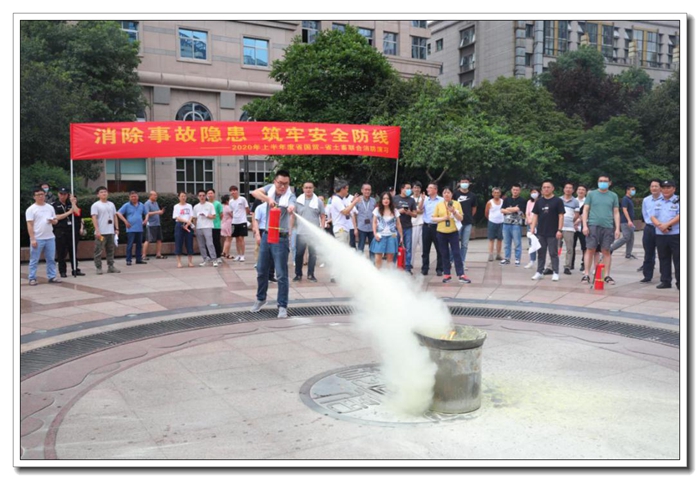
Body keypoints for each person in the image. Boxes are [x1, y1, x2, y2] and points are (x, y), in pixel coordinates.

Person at [250, 170, 296, 318]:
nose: (283, 187)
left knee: (281, 274)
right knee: (261, 270)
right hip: (267, 235)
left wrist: (291, 208)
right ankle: (260, 299)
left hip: (281, 238)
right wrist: (268, 199)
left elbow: (292, 204)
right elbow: (254, 192)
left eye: (286, 184)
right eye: (280, 183)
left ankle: (282, 306)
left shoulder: (290, 196)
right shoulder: (269, 189)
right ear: (275, 182)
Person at [581, 175, 621, 285]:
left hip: (608, 226)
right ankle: (586, 274)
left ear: (610, 183)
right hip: (593, 225)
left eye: (605, 181)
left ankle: (606, 275)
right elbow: (585, 210)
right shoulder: (591, 194)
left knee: (606, 250)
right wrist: (585, 225)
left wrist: (617, 228)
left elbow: (616, 212)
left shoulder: (613, 196)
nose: (602, 182)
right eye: (600, 181)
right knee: (590, 249)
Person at [433, 187, 471, 283]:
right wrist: (443, 218)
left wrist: (453, 211)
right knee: (444, 253)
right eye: (444, 192)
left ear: (451, 194)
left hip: (453, 232)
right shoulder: (439, 205)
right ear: (442, 194)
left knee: (456, 253)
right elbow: (433, 218)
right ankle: (447, 274)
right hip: (441, 232)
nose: (446, 194)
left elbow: (461, 218)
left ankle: (461, 274)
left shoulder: (457, 204)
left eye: (448, 192)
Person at [529, 181, 565, 282]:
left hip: (553, 232)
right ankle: (539, 272)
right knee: (541, 253)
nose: (546, 189)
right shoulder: (539, 201)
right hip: (541, 231)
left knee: (553, 253)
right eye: (544, 187)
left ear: (552, 188)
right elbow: (535, 215)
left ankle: (555, 272)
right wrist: (532, 228)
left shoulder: (558, 201)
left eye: (548, 187)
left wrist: (559, 230)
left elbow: (561, 216)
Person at [26, 186, 61, 285]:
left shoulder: (50, 207)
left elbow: (55, 220)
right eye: (38, 195)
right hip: (38, 238)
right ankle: (32, 277)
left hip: (50, 237)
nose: (41, 196)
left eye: (42, 194)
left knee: (51, 259)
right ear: (34, 197)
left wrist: (53, 221)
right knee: (34, 259)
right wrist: (32, 238)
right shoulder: (31, 209)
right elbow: (29, 224)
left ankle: (52, 276)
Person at [328, 181, 361, 282]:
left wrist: (352, 202)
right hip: (340, 229)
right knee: (340, 253)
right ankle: (335, 275)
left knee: (342, 252)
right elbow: (345, 211)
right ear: (342, 189)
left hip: (345, 229)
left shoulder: (342, 200)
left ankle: (340, 274)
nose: (347, 191)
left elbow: (349, 210)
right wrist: (354, 202)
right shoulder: (336, 200)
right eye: (346, 189)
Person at [294, 181, 325, 282]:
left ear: (313, 189)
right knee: (299, 254)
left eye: (310, 187)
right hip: (301, 232)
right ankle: (298, 274)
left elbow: (322, 215)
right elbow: (293, 215)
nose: (308, 189)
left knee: (313, 254)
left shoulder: (318, 202)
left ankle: (311, 274)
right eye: (306, 187)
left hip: (313, 233)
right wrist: (291, 229)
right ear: (303, 189)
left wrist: (322, 227)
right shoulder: (298, 201)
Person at [651, 180, 680, 289]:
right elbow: (652, 216)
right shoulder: (657, 201)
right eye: (663, 188)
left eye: (668, 187)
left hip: (675, 234)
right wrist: (660, 226)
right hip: (661, 234)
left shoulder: (679, 200)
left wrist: (667, 224)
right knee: (663, 258)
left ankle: (680, 282)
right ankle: (665, 281)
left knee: (678, 259)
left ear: (674, 189)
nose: (666, 190)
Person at [52, 187, 84, 277]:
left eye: (65, 194)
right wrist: (69, 212)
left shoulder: (70, 204)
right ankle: (62, 271)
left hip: (72, 231)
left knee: (73, 251)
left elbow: (78, 213)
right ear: (58, 194)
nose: (63, 196)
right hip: (61, 231)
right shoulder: (54, 205)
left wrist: (73, 203)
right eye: (61, 194)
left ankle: (75, 269)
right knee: (61, 252)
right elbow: (56, 217)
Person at [91, 186, 121, 275]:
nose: (104, 193)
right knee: (98, 250)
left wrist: (117, 228)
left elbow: (115, 216)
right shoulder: (96, 205)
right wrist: (97, 230)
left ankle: (111, 266)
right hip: (101, 232)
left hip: (110, 231)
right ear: (98, 195)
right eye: (101, 192)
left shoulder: (111, 204)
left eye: (105, 192)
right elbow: (94, 218)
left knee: (110, 250)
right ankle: (98, 267)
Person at [370, 192, 403, 269]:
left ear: (390, 200)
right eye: (384, 198)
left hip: (392, 235)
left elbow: (398, 224)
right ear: (381, 200)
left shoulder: (395, 211)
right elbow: (374, 222)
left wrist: (401, 236)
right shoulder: (377, 210)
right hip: (380, 235)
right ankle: (377, 274)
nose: (386, 200)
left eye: (388, 198)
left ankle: (388, 274)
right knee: (378, 257)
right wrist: (375, 234)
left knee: (390, 258)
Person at [117, 191, 148, 266]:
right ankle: (128, 260)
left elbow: (146, 213)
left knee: (139, 245)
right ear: (129, 197)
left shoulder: (141, 205)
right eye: (132, 196)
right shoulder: (127, 205)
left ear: (138, 197)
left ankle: (138, 259)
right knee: (130, 245)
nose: (134, 198)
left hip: (139, 228)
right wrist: (125, 221)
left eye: (135, 196)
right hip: (130, 228)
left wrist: (146, 219)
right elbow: (118, 213)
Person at [640, 180, 662, 283]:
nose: (654, 188)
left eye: (656, 186)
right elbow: (645, 213)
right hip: (649, 228)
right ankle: (647, 275)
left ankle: (665, 277)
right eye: (652, 186)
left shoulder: (665, 199)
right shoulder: (646, 200)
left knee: (663, 253)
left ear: (660, 188)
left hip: (662, 228)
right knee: (648, 253)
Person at [500, 184, 527, 266]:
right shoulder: (506, 199)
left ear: (520, 191)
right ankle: (507, 258)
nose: (515, 191)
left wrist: (508, 209)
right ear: (511, 190)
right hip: (506, 224)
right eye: (514, 189)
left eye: (517, 190)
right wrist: (512, 209)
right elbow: (502, 210)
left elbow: (518, 209)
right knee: (506, 243)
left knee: (517, 242)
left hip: (516, 224)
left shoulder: (522, 200)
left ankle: (517, 259)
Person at [421, 182, 444, 276]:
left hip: (437, 226)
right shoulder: (425, 199)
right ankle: (425, 268)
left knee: (439, 249)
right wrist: (422, 200)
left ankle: (440, 268)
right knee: (425, 249)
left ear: (435, 190)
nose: (428, 189)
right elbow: (419, 209)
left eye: (430, 188)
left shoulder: (441, 200)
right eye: (427, 188)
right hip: (426, 226)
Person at [393, 182, 417, 273]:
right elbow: (390, 212)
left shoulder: (411, 200)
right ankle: (394, 266)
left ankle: (407, 267)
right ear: (402, 189)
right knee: (394, 246)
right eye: (407, 188)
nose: (409, 190)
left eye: (410, 188)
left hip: (408, 227)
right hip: (395, 227)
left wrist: (409, 212)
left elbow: (415, 214)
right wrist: (399, 211)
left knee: (408, 248)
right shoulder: (395, 198)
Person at [455, 177, 477, 269]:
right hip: (457, 222)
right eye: (462, 182)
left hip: (468, 222)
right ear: (459, 183)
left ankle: (462, 262)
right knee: (455, 243)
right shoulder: (455, 194)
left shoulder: (472, 195)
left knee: (464, 244)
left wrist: (469, 216)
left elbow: (474, 208)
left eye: (466, 182)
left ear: (469, 183)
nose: (464, 183)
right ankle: (452, 260)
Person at [610, 185, 637, 260]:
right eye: (632, 189)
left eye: (634, 190)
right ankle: (611, 249)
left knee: (631, 238)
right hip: (625, 221)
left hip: (630, 222)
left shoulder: (630, 199)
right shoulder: (625, 199)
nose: (633, 191)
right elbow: (624, 210)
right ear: (627, 190)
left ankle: (628, 254)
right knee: (626, 237)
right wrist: (629, 220)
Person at [559, 182, 581, 275]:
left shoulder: (575, 201)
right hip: (559, 227)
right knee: (556, 247)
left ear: (573, 190)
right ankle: (551, 266)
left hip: (569, 228)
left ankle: (567, 266)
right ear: (564, 189)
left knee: (569, 248)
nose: (568, 189)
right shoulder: (559, 200)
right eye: (566, 187)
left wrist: (571, 221)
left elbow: (576, 215)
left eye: (570, 188)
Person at [193, 190, 218, 267]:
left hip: (207, 226)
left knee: (210, 243)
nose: (202, 197)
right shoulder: (196, 207)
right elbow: (194, 218)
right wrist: (195, 227)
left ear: (206, 196)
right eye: (200, 196)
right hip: (199, 227)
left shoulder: (210, 205)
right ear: (198, 197)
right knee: (201, 244)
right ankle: (205, 258)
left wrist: (206, 215)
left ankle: (214, 259)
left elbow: (214, 216)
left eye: (203, 195)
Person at [172, 191, 195, 268]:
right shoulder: (176, 206)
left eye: (184, 196)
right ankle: (179, 262)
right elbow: (176, 217)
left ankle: (190, 262)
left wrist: (188, 223)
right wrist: (186, 221)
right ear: (179, 197)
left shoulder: (189, 206)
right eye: (182, 196)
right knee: (178, 242)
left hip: (188, 225)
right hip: (179, 225)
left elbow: (191, 215)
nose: (183, 197)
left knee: (189, 242)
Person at [229, 186, 250, 262]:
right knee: (237, 239)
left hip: (242, 221)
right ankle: (238, 254)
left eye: (234, 190)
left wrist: (244, 216)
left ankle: (242, 255)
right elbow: (231, 211)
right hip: (234, 222)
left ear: (237, 191)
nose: (233, 192)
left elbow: (247, 209)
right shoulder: (231, 202)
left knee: (241, 238)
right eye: (232, 191)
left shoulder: (242, 199)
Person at [143, 191, 167, 260]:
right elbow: (147, 213)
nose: (156, 196)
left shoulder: (156, 203)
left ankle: (158, 254)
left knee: (159, 239)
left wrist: (161, 212)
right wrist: (157, 212)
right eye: (154, 195)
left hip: (157, 223)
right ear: (150, 196)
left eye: (156, 195)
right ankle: (143, 255)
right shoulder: (147, 203)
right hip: (150, 224)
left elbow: (158, 211)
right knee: (148, 240)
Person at [354, 183, 375, 254]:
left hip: (372, 228)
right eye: (366, 189)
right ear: (362, 190)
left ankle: (372, 260)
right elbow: (353, 214)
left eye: (369, 190)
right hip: (361, 227)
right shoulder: (357, 200)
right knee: (360, 247)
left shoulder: (373, 201)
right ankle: (359, 260)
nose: (367, 191)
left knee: (372, 247)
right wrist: (355, 227)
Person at [485, 187, 504, 262]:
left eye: (498, 192)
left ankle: (498, 254)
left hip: (501, 222)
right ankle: (490, 254)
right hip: (492, 222)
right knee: (491, 239)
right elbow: (486, 213)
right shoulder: (489, 202)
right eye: (495, 192)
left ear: (500, 193)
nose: (496, 194)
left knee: (500, 239)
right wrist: (490, 218)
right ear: (492, 194)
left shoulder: (503, 201)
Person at [572, 185, 588, 272]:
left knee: (584, 246)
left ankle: (584, 264)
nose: (581, 191)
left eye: (583, 190)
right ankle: (570, 264)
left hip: (583, 226)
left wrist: (578, 220)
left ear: (585, 192)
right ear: (576, 191)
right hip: (572, 227)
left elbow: (587, 213)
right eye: (579, 189)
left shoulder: (587, 201)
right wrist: (573, 222)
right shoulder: (573, 200)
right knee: (571, 246)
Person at [523, 187, 540, 269]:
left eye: (535, 192)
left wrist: (535, 221)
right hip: (530, 224)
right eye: (532, 192)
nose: (534, 194)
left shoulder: (541, 201)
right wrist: (529, 220)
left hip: (539, 224)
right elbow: (527, 212)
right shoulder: (529, 202)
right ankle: (532, 260)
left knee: (540, 243)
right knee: (531, 242)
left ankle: (541, 261)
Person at [411, 182, 425, 271]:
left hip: (422, 224)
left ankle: (424, 266)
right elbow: (416, 211)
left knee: (423, 247)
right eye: (415, 187)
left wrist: (416, 211)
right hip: (412, 225)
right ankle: (410, 265)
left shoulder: (424, 198)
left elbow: (424, 210)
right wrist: (418, 211)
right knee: (412, 247)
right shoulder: (409, 198)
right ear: (412, 189)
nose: (416, 189)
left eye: (418, 188)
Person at [207, 189, 224, 262]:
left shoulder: (218, 203)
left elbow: (221, 214)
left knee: (216, 241)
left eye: (211, 193)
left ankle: (218, 256)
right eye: (208, 193)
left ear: (214, 194)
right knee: (208, 241)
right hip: (207, 225)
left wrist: (218, 221)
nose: (210, 195)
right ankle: (209, 256)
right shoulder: (206, 204)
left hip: (216, 225)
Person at [220, 194, 234, 260]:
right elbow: (233, 215)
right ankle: (224, 252)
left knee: (227, 239)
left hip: (223, 223)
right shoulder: (228, 208)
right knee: (229, 239)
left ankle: (227, 253)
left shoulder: (222, 207)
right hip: (228, 224)